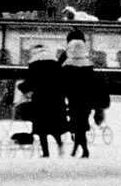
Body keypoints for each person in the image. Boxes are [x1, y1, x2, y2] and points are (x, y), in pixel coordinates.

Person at [22, 43, 66, 158]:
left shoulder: (34, 64)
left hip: (40, 100)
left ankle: (45, 153)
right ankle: (59, 144)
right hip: (56, 100)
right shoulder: (55, 64)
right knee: (54, 126)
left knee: (42, 128)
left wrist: (22, 88)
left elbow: (30, 82)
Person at [61, 28, 100, 158]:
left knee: (76, 123)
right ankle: (78, 148)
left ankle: (83, 149)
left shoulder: (66, 64)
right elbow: (94, 84)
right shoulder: (88, 64)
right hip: (86, 99)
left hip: (73, 98)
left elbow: (62, 81)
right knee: (81, 123)